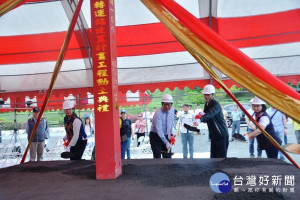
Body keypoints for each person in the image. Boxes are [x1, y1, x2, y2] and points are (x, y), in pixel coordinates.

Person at [200, 84, 229, 158]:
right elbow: (206, 117)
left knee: (221, 157)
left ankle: (221, 170)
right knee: (213, 156)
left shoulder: (216, 104)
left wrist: (200, 119)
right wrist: (199, 117)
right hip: (213, 135)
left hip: (221, 134)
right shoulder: (206, 104)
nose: (206, 96)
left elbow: (210, 114)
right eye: (205, 95)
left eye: (208, 95)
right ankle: (215, 170)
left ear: (213, 95)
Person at [150, 94, 175, 158]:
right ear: (162, 104)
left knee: (168, 156)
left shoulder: (172, 110)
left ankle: (168, 168)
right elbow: (159, 130)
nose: (167, 106)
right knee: (157, 157)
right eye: (165, 104)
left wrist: (171, 134)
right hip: (155, 136)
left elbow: (171, 123)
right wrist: (166, 142)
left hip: (165, 135)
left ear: (171, 104)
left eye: (168, 104)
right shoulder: (158, 113)